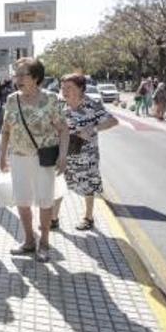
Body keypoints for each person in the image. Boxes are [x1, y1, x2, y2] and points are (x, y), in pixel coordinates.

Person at [0, 58, 69, 262]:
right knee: (22, 201)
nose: (17, 79)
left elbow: (63, 129)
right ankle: (29, 240)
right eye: (16, 74)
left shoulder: (51, 99)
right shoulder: (12, 99)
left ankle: (44, 242)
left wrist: (63, 155)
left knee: (45, 201)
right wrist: (2, 156)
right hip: (18, 157)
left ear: (36, 77)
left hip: (43, 158)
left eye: (23, 75)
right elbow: (5, 130)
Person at [50, 74, 118, 231]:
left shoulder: (92, 104)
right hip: (64, 152)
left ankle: (88, 218)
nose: (64, 91)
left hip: (87, 154)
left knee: (88, 185)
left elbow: (113, 121)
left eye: (69, 88)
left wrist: (92, 128)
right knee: (59, 183)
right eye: (63, 88)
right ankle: (54, 218)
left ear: (81, 88)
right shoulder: (59, 104)